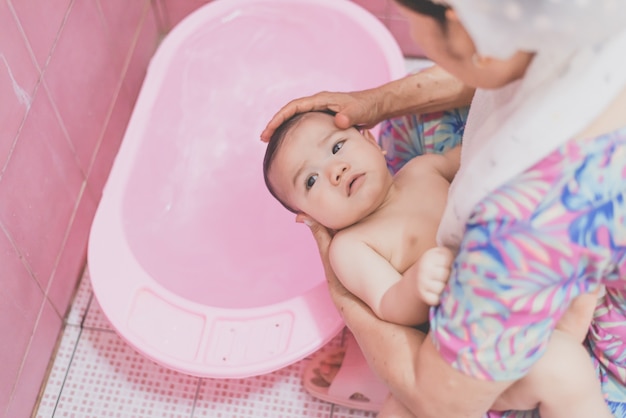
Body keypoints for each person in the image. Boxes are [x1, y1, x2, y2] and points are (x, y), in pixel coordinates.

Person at [260, 1, 626, 417]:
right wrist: (414, 286)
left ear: (369, 141)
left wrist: (343, 299)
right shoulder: (352, 245)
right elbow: (386, 305)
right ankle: (374, 384)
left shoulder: (423, 173)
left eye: (339, 146)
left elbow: (465, 159)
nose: (336, 169)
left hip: (509, 316)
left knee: (565, 369)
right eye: (310, 180)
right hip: (452, 327)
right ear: (308, 217)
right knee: (400, 409)